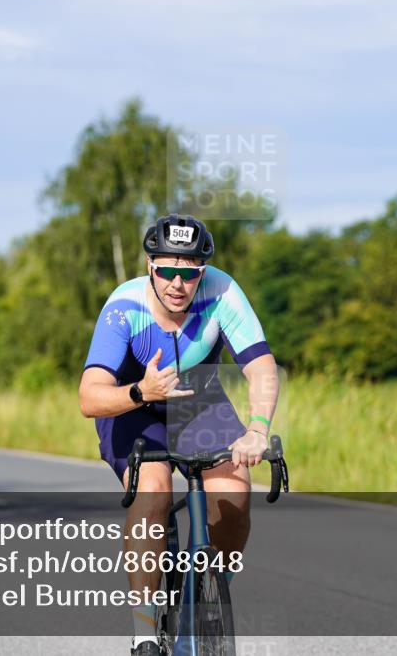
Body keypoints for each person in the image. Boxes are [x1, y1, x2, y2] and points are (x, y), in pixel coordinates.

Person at [78, 215, 279, 656]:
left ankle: (207, 594)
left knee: (233, 492)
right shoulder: (123, 306)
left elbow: (261, 365)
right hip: (134, 404)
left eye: (188, 273)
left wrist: (258, 429)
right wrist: (139, 391)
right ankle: (145, 629)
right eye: (167, 270)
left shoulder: (222, 291)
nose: (177, 283)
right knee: (153, 489)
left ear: (201, 272)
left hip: (197, 402)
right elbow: (90, 397)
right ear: (149, 265)